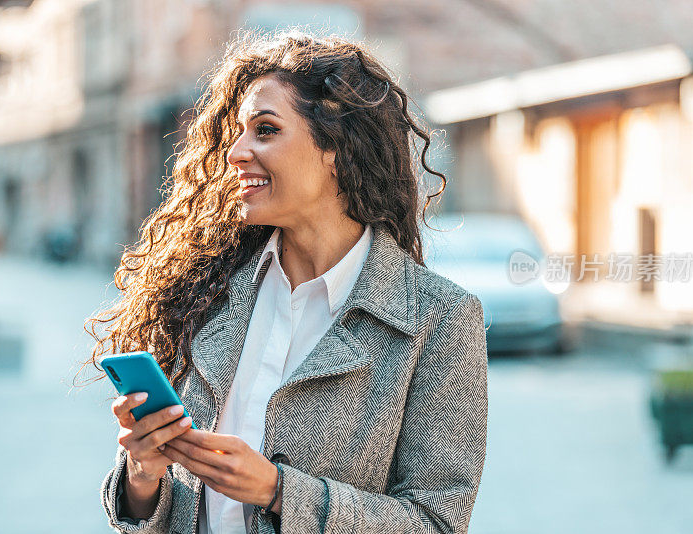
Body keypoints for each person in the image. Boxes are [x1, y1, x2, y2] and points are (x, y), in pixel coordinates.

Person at [80, 28, 488, 534]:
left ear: (336, 147)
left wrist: (278, 491)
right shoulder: (207, 291)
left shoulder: (438, 319)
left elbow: (436, 521)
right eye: (238, 132)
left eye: (266, 130)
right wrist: (143, 475)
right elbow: (163, 510)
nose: (235, 153)